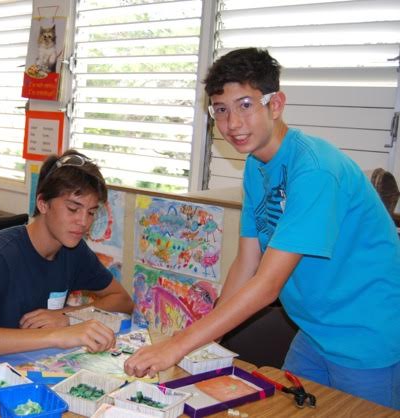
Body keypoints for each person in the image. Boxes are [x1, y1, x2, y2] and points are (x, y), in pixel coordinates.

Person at [124, 48, 400, 409]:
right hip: (314, 330)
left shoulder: (314, 170)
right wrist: (207, 340)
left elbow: (267, 285)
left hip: (366, 335)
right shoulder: (256, 166)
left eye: (245, 105)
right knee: (282, 409)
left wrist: (178, 345)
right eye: (221, 109)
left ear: (276, 104)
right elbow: (247, 263)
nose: (233, 123)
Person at [0, 149, 134, 357]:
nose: (84, 222)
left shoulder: (74, 250)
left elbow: (123, 301)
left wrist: (66, 316)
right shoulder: (0, 254)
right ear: (43, 204)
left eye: (91, 212)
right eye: (73, 209)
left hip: (38, 363)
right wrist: (55, 336)